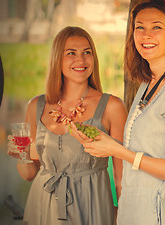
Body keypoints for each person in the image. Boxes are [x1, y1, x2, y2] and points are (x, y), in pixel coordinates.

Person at [71, 0, 165, 225]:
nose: (145, 35)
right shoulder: (148, 83)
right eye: (139, 27)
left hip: (160, 214)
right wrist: (101, 140)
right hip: (135, 213)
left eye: (156, 27)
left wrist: (118, 151)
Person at [7, 26, 127, 224]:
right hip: (43, 206)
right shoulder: (36, 106)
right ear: (57, 59)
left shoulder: (112, 106)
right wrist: (21, 155)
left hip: (92, 204)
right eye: (71, 53)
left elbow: (122, 178)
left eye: (86, 52)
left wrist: (122, 213)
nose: (80, 60)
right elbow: (29, 174)